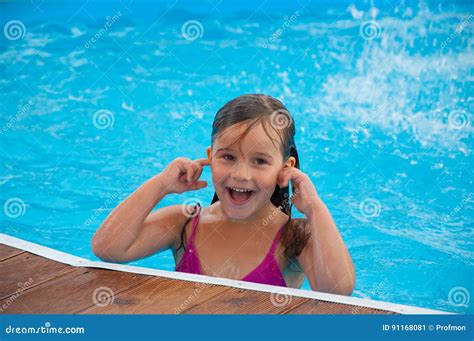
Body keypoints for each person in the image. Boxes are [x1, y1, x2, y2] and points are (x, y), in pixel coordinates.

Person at [92, 94, 355, 294]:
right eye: (228, 157)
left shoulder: (294, 237)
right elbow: (108, 248)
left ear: (285, 169)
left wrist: (315, 208)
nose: (241, 174)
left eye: (260, 161)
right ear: (210, 157)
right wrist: (160, 184)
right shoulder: (184, 224)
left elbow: (337, 291)